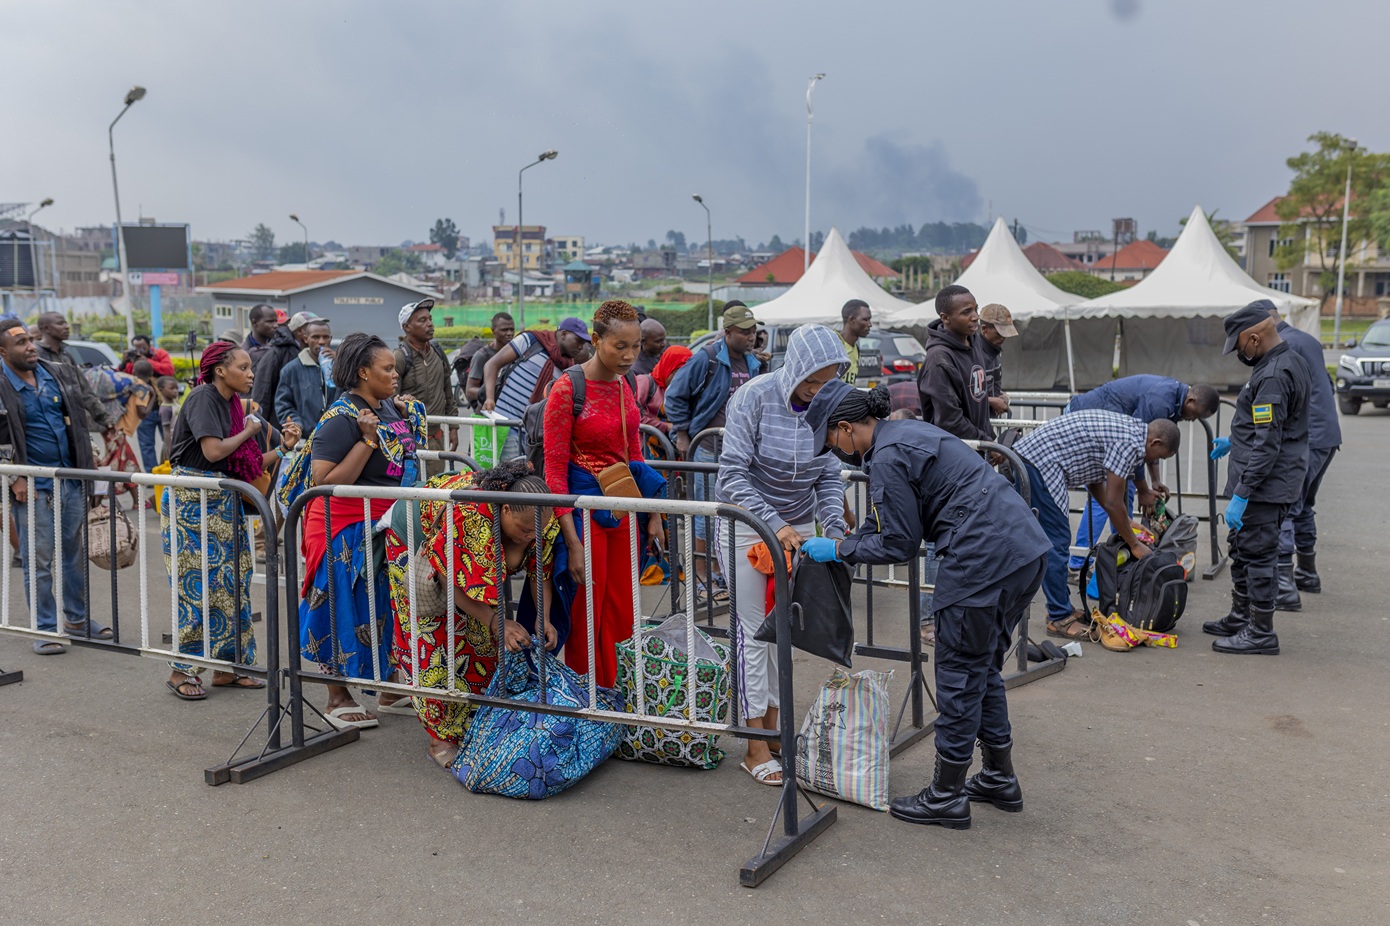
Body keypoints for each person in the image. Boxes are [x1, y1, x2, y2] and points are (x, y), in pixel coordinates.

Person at [802, 382, 1051, 829]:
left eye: (829, 441)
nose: (832, 450)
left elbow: (899, 541)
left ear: (844, 429)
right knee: (981, 668)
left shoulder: (887, 458)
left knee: (957, 673)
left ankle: (946, 796)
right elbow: (902, 526)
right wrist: (847, 541)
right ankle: (997, 776)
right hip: (1022, 551)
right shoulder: (906, 434)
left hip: (982, 560)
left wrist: (839, 550)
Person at [716, 324, 848, 786]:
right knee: (754, 634)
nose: (815, 391)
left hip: (798, 532)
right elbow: (732, 474)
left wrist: (833, 527)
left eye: (826, 382)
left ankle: (773, 730)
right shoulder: (753, 397)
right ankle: (752, 746)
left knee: (783, 634)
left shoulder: (830, 404)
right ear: (793, 368)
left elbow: (831, 475)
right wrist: (774, 523)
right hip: (747, 526)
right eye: (809, 381)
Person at [389, 461, 569, 769]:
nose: (530, 537)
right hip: (414, 536)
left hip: (468, 553)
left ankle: (470, 717)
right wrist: (495, 620)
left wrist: (544, 617)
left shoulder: (541, 516)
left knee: (481, 640)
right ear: (504, 511)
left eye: (536, 532)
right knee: (436, 638)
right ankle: (439, 737)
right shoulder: (471, 515)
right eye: (525, 530)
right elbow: (450, 584)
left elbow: (541, 570)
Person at [299, 333, 426, 727]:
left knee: (384, 605)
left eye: (394, 367)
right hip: (342, 523)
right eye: (387, 369)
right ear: (363, 372)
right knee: (342, 605)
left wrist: (404, 416)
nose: (395, 374)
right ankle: (337, 694)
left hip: (382, 520)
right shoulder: (340, 419)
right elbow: (324, 479)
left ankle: (388, 686)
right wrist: (367, 441)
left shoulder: (388, 407)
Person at [163, 341, 300, 699]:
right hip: (192, 501)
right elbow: (213, 451)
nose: (250, 373)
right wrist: (250, 431)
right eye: (243, 367)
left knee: (234, 582)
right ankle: (182, 670)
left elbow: (249, 465)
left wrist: (283, 447)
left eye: (250, 367)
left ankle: (230, 667)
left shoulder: (231, 406)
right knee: (199, 585)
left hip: (223, 500)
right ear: (220, 370)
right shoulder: (202, 397)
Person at [543, 300, 665, 689]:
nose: (630, 356)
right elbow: (554, 471)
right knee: (584, 615)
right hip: (581, 516)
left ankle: (619, 695)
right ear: (595, 340)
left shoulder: (624, 382)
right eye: (620, 346)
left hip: (623, 508)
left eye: (636, 346)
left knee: (622, 610)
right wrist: (571, 540)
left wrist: (654, 515)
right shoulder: (566, 389)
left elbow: (634, 453)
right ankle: (586, 704)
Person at [1013, 409, 1181, 640]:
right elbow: (1114, 502)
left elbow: (1094, 480)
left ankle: (1062, 607)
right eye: (1159, 455)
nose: (1155, 461)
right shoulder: (1130, 444)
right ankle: (1058, 617)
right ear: (1155, 442)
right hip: (1040, 464)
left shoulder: (1130, 431)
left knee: (1054, 541)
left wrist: (1127, 521)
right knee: (1056, 542)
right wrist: (1134, 544)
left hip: (1036, 460)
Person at [1204, 303, 1310, 655]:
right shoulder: (1281, 363)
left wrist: (1243, 493)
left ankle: (1261, 632)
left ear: (1253, 338)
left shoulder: (1274, 374)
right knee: (1243, 550)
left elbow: (1268, 443)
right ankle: (1241, 616)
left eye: (1238, 346)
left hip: (1266, 485)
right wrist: (1234, 441)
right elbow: (1274, 427)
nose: (1239, 353)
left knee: (1259, 554)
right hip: (1264, 480)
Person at [0, 319, 100, 655]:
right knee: (39, 559)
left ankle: (77, 618)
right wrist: (15, 477)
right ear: (2, 351)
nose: (30, 346)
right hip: (33, 485)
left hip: (70, 478)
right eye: (20, 342)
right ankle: (44, 627)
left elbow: (76, 421)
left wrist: (88, 460)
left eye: (30, 339)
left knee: (73, 552)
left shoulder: (55, 371)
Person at [1063, 375, 1221, 573]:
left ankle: (1124, 553)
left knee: (1123, 494)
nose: (1192, 420)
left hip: (1109, 438)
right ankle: (1077, 565)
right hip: (1082, 423)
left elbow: (1152, 444)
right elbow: (1138, 445)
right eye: (1195, 415)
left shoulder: (1175, 401)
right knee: (1105, 499)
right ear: (1192, 401)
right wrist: (1143, 489)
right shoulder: (1161, 401)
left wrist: (1154, 482)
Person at [664, 303, 764, 597]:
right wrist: (682, 433)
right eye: (744, 332)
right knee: (704, 515)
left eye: (754, 331)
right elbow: (675, 395)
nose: (751, 337)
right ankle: (701, 573)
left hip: (743, 452)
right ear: (728, 331)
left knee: (735, 513)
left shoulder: (754, 362)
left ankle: (722, 570)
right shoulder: (705, 359)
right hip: (708, 448)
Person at [1258, 301, 1339, 609]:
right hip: (1328, 435)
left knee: (1286, 507)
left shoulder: (1283, 347)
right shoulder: (1308, 340)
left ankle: (1284, 585)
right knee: (1304, 506)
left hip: (1307, 438)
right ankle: (1307, 573)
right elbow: (1326, 387)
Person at [481, 317, 589, 459]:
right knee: (509, 477)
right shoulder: (531, 340)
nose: (581, 347)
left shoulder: (567, 368)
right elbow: (491, 364)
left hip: (532, 437)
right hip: (507, 426)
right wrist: (489, 398)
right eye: (578, 341)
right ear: (563, 334)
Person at [919, 285, 993, 442]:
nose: (975, 317)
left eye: (975, 309)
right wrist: (985, 442)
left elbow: (979, 401)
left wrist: (989, 436)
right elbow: (950, 422)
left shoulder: (975, 341)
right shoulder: (939, 360)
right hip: (956, 455)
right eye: (966, 312)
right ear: (945, 318)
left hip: (980, 448)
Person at [395, 298, 458, 465]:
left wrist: (454, 427)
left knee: (437, 486)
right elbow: (390, 400)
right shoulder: (400, 357)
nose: (430, 324)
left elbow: (447, 391)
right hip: (409, 442)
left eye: (430, 319)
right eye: (422, 320)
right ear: (407, 327)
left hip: (437, 438)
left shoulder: (437, 351)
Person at [34, 311, 116, 433]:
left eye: (66, 323)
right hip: (47, 425)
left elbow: (83, 389)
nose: (66, 326)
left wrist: (105, 418)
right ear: (46, 328)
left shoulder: (66, 356)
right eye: (60, 323)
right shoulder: (35, 356)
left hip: (73, 422)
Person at [251, 311, 327, 416]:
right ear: (301, 332)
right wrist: (261, 424)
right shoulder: (277, 353)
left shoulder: (320, 357)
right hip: (283, 425)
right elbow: (262, 392)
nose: (321, 340)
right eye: (312, 326)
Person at [274, 318, 337, 434]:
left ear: (331, 339)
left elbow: (351, 393)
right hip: (305, 438)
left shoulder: (339, 367)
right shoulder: (291, 370)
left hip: (335, 434)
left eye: (325, 337)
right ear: (306, 339)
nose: (321, 342)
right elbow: (283, 405)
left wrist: (340, 363)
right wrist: (297, 425)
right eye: (315, 337)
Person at [465, 312, 516, 409]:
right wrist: (491, 395)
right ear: (493, 331)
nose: (509, 333)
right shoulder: (482, 356)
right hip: (487, 413)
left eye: (512, 329)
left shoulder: (515, 353)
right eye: (504, 330)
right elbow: (470, 391)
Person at [977, 303, 1018, 417]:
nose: (1003, 338)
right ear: (984, 329)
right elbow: (966, 396)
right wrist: (991, 401)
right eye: (999, 333)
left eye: (1006, 334)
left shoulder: (995, 351)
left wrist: (1002, 396)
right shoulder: (973, 354)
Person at [131, 358, 163, 471]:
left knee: (146, 446)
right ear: (151, 373)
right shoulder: (155, 381)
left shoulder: (135, 385)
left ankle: (152, 474)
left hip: (146, 417)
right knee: (170, 441)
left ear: (134, 372)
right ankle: (172, 470)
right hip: (162, 412)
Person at [838, 299, 873, 385]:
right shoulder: (833, 344)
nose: (870, 324)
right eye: (865, 319)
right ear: (852, 320)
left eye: (869, 320)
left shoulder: (856, 349)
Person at [241, 304, 279, 369]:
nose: (276, 325)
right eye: (270, 321)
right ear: (255, 323)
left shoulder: (279, 348)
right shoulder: (242, 353)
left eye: (276, 321)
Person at [155, 375, 180, 463]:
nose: (175, 391)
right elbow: (166, 430)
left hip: (178, 442)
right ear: (161, 390)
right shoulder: (165, 409)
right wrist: (171, 450)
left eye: (176, 388)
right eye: (172, 388)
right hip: (172, 444)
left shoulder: (175, 403)